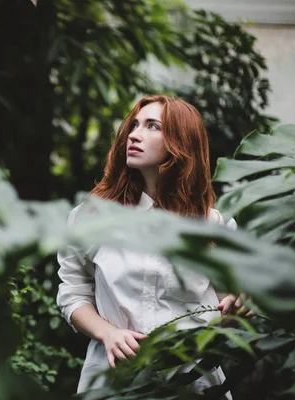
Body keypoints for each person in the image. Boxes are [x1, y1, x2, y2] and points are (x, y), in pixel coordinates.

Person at [56, 94, 249, 395]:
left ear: (181, 143)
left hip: (194, 383)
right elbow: (72, 293)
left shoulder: (213, 226)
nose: (134, 134)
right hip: (114, 379)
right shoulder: (92, 219)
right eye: (134, 125)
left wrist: (238, 304)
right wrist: (108, 333)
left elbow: (232, 306)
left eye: (152, 126)